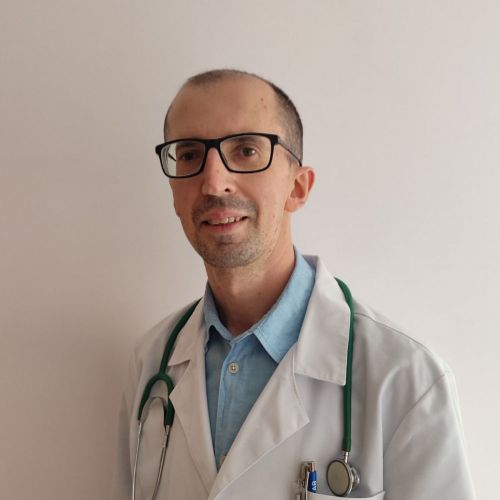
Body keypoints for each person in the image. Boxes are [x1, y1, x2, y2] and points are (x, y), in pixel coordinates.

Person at [111, 69, 476, 500]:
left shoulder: (406, 378)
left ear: (298, 187)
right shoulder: (151, 362)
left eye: (246, 150)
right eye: (190, 155)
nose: (213, 182)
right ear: (174, 191)